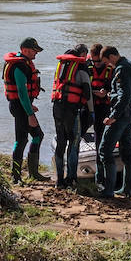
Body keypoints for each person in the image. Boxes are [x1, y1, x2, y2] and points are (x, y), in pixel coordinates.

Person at [2, 37, 48, 183]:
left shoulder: (24, 63)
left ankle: (32, 173)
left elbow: (24, 94)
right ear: (25, 50)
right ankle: (16, 177)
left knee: (37, 136)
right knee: (22, 139)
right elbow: (21, 92)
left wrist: (29, 105)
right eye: (34, 51)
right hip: (20, 108)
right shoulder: (19, 66)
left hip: (22, 105)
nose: (36, 54)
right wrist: (30, 113)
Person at [51, 43, 94, 189]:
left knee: (61, 143)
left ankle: (59, 180)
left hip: (57, 108)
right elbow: (88, 94)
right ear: (82, 54)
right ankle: (71, 179)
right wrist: (91, 112)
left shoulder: (61, 66)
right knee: (74, 143)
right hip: (71, 110)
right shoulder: (81, 68)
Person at [97, 45, 131, 199]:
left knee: (104, 149)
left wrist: (113, 116)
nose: (108, 65)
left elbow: (124, 95)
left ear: (112, 56)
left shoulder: (121, 69)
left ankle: (108, 191)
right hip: (129, 112)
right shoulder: (130, 64)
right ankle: (126, 189)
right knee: (126, 151)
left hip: (121, 114)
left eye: (107, 61)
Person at [88, 43, 113, 145]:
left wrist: (106, 91)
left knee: (102, 130)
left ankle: (102, 154)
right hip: (90, 103)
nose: (96, 64)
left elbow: (115, 87)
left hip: (105, 105)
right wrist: (94, 92)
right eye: (94, 61)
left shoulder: (110, 68)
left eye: (99, 61)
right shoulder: (87, 66)